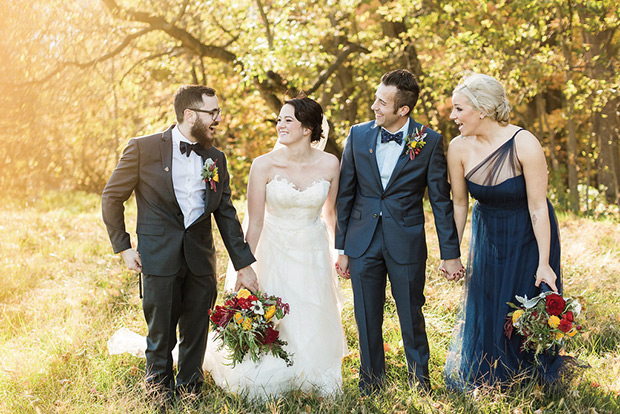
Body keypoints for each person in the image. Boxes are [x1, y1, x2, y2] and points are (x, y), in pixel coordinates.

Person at [101, 85, 258, 406]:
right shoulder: (142, 149)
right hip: (158, 259)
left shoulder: (216, 158)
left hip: (200, 259)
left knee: (196, 331)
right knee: (159, 333)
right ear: (190, 115)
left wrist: (244, 264)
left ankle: (190, 391)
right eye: (212, 112)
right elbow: (112, 197)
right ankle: (158, 391)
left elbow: (226, 214)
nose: (217, 119)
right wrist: (124, 247)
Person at [202, 95, 348, 398]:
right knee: (273, 314)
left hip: (313, 252)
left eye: (288, 120)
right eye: (279, 119)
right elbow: (254, 223)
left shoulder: (331, 164)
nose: (280, 125)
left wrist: (340, 252)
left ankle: (311, 374)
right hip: (272, 250)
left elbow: (330, 215)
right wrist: (245, 266)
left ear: (307, 128)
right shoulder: (263, 165)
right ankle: (268, 374)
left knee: (312, 313)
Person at [335, 69, 464, 396]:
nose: (375, 106)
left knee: (411, 314)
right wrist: (343, 248)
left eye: (382, 102)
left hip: (406, 242)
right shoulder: (357, 135)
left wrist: (450, 255)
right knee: (366, 317)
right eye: (376, 98)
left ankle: (420, 385)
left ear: (403, 110)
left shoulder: (430, 141)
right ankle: (371, 385)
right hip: (362, 242)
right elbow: (346, 195)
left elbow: (441, 201)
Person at [443, 73, 568, 389]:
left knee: (527, 300)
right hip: (489, 235)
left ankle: (532, 378)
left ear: (482, 109)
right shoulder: (458, 148)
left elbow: (538, 207)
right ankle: (493, 376)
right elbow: (459, 204)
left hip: (530, 232)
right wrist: (452, 253)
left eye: (458, 109)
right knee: (489, 302)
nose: (452, 116)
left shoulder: (524, 143)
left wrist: (544, 262)